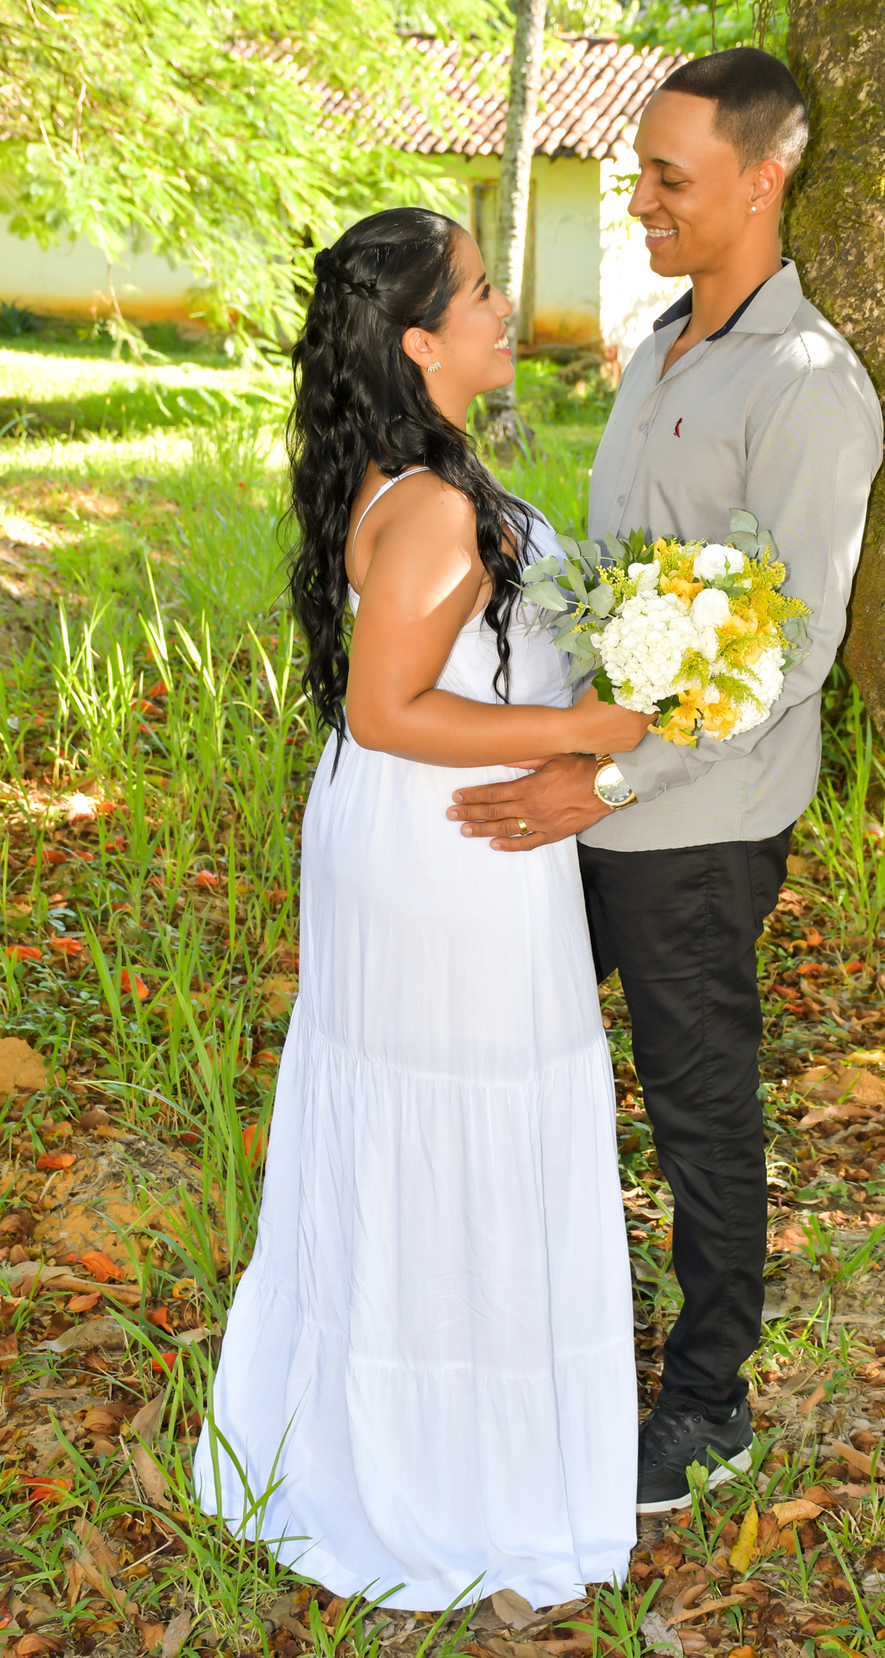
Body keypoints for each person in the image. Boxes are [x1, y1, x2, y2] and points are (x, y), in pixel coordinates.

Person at [446, 48, 885, 1513]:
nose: (637, 199)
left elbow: (792, 650)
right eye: (637, 171)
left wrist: (615, 784)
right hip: (590, 783)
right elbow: (617, 579)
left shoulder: (811, 390)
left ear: (762, 182)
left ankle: (708, 1405)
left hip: (696, 824)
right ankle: (521, 1336)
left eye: (666, 178)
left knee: (699, 1115)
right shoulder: (660, 343)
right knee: (518, 1054)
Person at [194, 207, 651, 1608]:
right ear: (419, 343)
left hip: (430, 838)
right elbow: (387, 708)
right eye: (481, 292)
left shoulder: (417, 473)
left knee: (434, 1119)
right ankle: (450, 1480)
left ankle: (426, 1442)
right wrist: (589, 731)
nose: (505, 307)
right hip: (446, 851)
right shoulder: (438, 505)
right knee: (458, 1116)